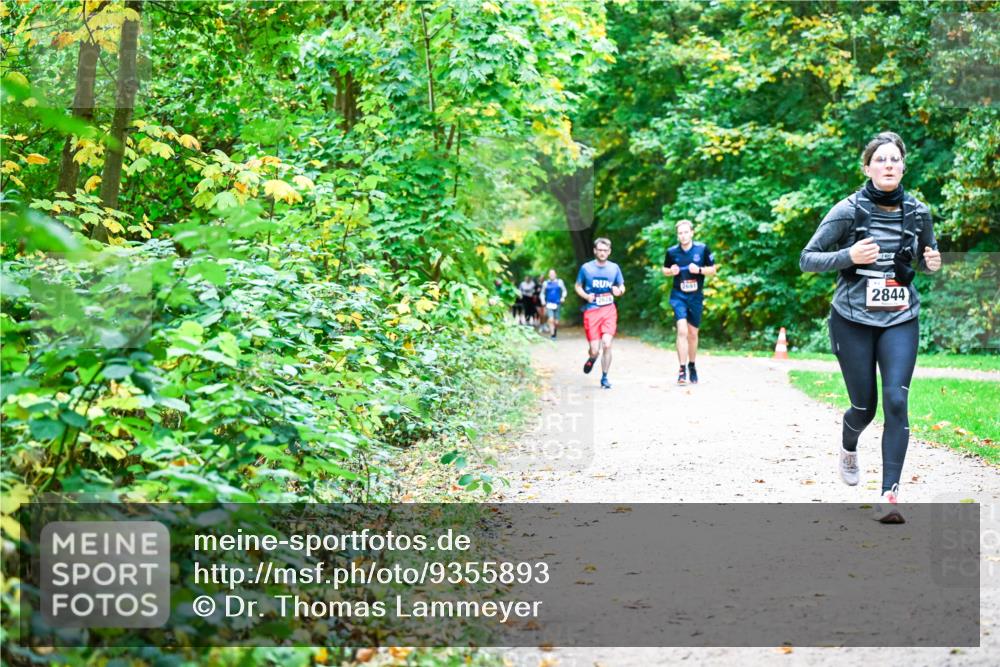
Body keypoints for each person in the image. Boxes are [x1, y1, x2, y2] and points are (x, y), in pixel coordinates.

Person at [800, 131, 941, 524]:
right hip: (852, 321)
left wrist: (932, 263)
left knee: (897, 401)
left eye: (895, 159)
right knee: (864, 407)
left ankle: (889, 495)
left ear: (903, 166)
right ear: (867, 167)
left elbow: (925, 259)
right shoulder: (847, 210)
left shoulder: (918, 212)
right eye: (881, 159)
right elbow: (807, 259)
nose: (889, 165)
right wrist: (848, 254)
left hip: (900, 318)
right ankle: (849, 444)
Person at [662, 219, 718, 385]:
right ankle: (681, 369)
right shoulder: (672, 252)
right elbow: (664, 269)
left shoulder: (702, 249)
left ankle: (692, 365)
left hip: (695, 297)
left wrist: (699, 270)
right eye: (680, 233)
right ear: (677, 235)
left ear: (692, 233)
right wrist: (670, 271)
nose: (683, 235)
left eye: (686, 232)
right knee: (682, 331)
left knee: (693, 334)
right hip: (678, 295)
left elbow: (713, 270)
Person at [576, 238, 625, 389]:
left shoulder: (614, 268)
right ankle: (592, 357)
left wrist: (619, 291)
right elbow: (577, 286)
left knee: (607, 344)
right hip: (592, 311)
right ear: (595, 251)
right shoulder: (586, 268)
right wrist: (586, 296)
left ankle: (604, 377)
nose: (603, 253)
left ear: (609, 252)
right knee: (595, 350)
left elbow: (622, 286)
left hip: (609, 310)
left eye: (605, 250)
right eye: (600, 250)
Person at [542, 269, 567, 339]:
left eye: (553, 274)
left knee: (556, 322)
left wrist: (563, 297)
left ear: (555, 274)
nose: (551, 275)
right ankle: (552, 334)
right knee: (551, 319)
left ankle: (555, 331)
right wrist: (543, 301)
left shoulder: (559, 282)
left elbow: (564, 291)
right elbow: (542, 293)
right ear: (548, 275)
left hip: (557, 303)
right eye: (550, 274)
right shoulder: (545, 283)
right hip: (549, 304)